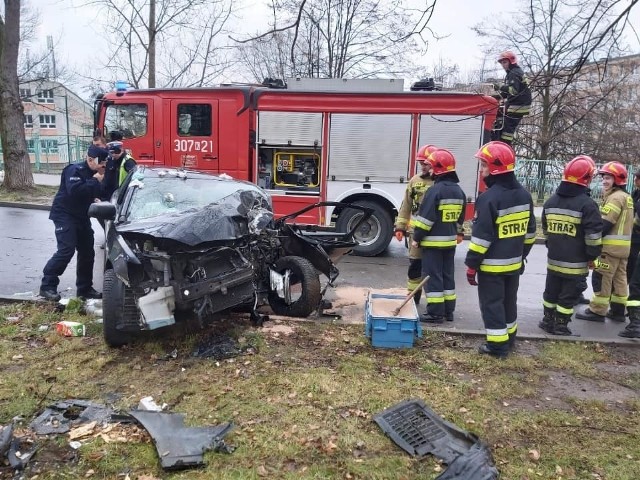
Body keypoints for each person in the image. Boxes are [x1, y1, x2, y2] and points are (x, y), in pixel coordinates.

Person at [465, 141, 536, 358]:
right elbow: (530, 233)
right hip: (514, 264)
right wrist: (521, 256)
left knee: (492, 304)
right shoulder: (524, 195)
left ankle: (496, 347)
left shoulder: (489, 198)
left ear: (495, 168)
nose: (481, 170)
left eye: (484, 165)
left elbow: (481, 238)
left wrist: (471, 265)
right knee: (508, 302)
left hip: (492, 267)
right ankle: (509, 339)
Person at [539, 156, 603, 336]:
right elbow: (593, 237)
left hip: (553, 260)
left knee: (551, 292)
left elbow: (545, 229)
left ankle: (547, 320)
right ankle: (560, 325)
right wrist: (592, 256)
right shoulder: (588, 205)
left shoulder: (551, 202)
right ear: (587, 179)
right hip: (576, 264)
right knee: (568, 296)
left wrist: (552, 244)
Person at [39, 145, 107, 301]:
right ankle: (47, 286)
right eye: (101, 162)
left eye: (105, 162)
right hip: (64, 215)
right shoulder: (74, 170)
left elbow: (99, 192)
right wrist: (94, 181)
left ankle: (84, 289)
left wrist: (100, 198)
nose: (104, 166)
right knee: (66, 250)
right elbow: (75, 192)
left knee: (87, 252)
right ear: (90, 159)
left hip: (82, 216)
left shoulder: (97, 174)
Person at [411, 149, 466, 323]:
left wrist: (417, 238)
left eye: (433, 167)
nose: (430, 171)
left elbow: (425, 220)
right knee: (447, 276)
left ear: (439, 170)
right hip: (449, 243)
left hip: (433, 244)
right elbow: (460, 220)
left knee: (432, 276)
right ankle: (448, 311)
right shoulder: (459, 192)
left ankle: (435, 313)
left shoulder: (435, 191)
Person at [576, 162, 633, 323]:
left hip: (609, 249)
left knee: (601, 278)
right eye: (604, 178)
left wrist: (592, 241)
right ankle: (618, 311)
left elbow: (605, 224)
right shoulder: (626, 197)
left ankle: (597, 311)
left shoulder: (615, 198)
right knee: (619, 279)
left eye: (608, 178)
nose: (604, 181)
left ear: (617, 180)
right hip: (623, 250)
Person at [393, 144, 436, 305]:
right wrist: (400, 227)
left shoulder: (440, 182)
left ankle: (435, 301)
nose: (423, 167)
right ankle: (413, 297)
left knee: (433, 268)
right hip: (415, 232)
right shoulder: (415, 181)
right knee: (415, 265)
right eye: (421, 164)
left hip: (434, 233)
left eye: (426, 164)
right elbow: (407, 205)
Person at [490, 50, 532, 145]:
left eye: (505, 62)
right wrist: (498, 96)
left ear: (511, 61)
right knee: (501, 120)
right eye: (502, 63)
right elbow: (511, 91)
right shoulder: (515, 72)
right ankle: (499, 140)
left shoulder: (514, 73)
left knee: (507, 129)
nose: (503, 65)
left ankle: (504, 145)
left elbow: (514, 91)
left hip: (518, 106)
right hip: (518, 104)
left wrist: (500, 86)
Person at [627, 170, 640, 282]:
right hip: (632, 235)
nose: (635, 180)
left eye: (638, 178)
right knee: (630, 261)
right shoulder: (635, 193)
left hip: (637, 234)